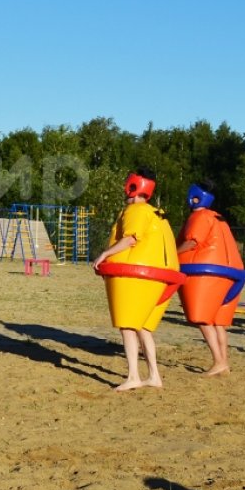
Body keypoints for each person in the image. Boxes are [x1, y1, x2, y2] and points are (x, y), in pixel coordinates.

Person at [92, 167, 180, 391]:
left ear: (132, 186)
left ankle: (133, 376)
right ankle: (154, 376)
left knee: (128, 326)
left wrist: (105, 254)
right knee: (143, 327)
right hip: (159, 276)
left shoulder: (136, 210)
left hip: (134, 275)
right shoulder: (157, 214)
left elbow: (131, 239)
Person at [176, 180, 245, 376]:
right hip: (232, 274)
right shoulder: (219, 217)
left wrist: (172, 255)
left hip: (206, 272)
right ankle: (223, 362)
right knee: (217, 322)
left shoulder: (199, 216)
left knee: (202, 318)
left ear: (194, 197)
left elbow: (192, 241)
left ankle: (217, 360)